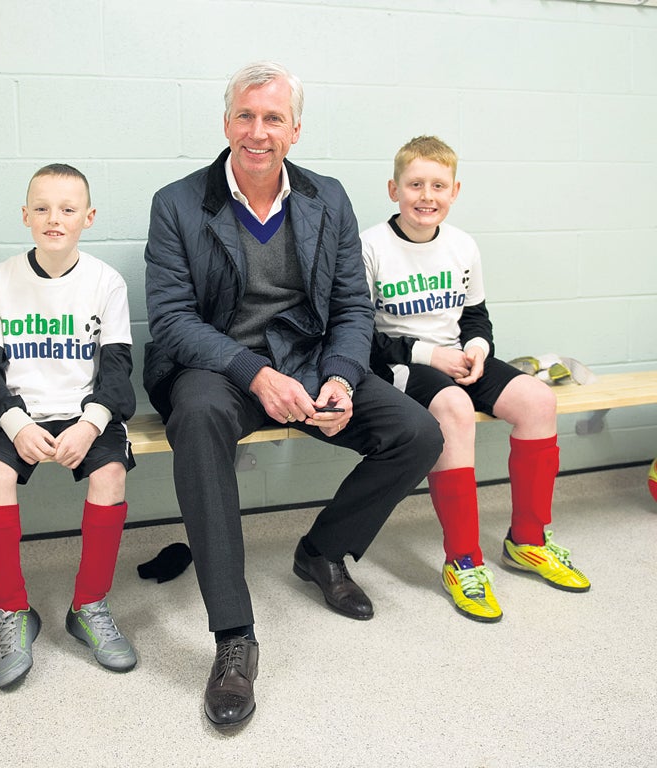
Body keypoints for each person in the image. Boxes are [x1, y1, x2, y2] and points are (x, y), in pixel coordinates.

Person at [143, 62, 443, 729]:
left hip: (307, 360)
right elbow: (171, 320)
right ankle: (233, 637)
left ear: (295, 130)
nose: (258, 131)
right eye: (245, 116)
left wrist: (339, 374)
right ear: (226, 124)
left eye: (273, 118)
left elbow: (350, 305)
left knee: (417, 433)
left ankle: (322, 552)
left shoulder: (327, 198)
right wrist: (253, 374)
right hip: (215, 367)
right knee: (194, 417)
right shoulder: (178, 203)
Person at [361, 135, 590, 623]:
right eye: (415, 184)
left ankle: (527, 540)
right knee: (455, 410)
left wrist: (477, 350)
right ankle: (462, 559)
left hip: (455, 357)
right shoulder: (371, 247)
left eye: (438, 185)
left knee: (536, 400)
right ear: (393, 188)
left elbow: (475, 316)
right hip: (401, 364)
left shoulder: (463, 245)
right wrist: (429, 355)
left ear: (455, 190)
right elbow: (359, 335)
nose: (427, 195)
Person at [0, 163, 138, 689]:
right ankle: (12, 612)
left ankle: (89, 605)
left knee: (110, 475)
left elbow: (117, 371)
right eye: (41, 208)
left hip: (86, 413)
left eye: (67, 209)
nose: (54, 218)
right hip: (19, 413)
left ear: (88, 217)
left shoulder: (106, 281)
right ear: (25, 216)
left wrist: (91, 424)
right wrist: (15, 424)